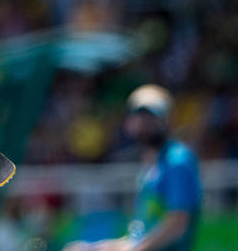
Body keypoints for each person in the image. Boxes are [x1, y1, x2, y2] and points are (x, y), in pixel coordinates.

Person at [63, 84, 201, 251]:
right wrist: (97, 248)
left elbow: (178, 224)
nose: (145, 123)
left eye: (152, 116)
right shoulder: (151, 167)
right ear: (129, 123)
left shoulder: (177, 161)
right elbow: (139, 238)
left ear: (168, 119)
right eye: (139, 116)